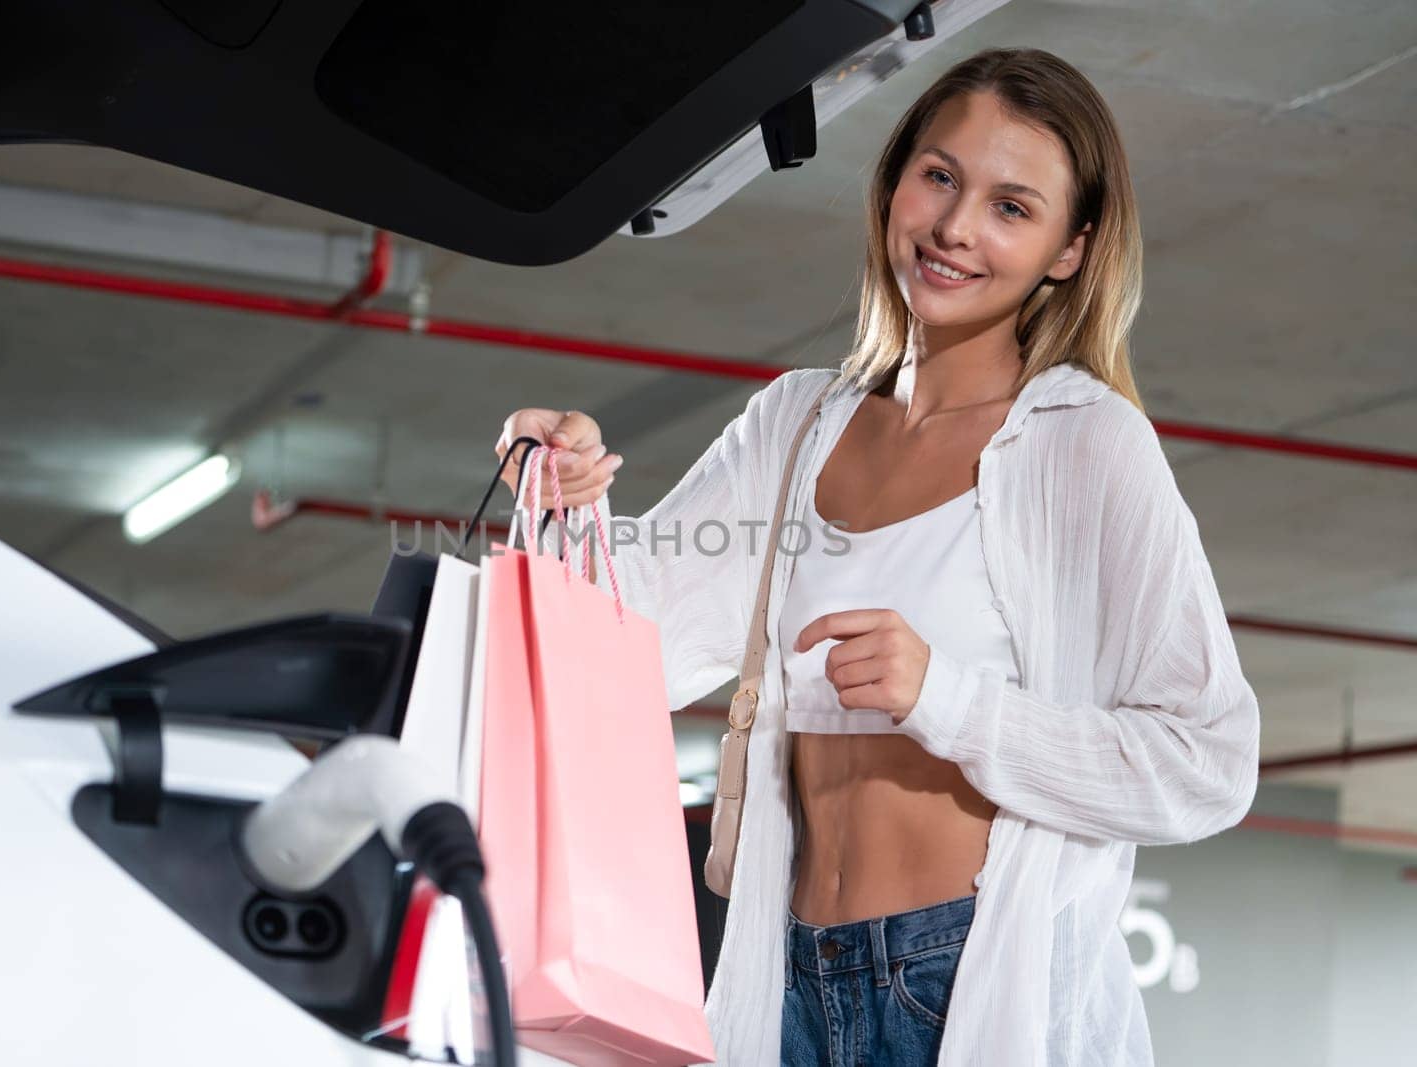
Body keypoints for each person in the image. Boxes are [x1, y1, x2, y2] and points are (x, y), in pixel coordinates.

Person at [494, 47, 1260, 1066]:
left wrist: (946, 698)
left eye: (1010, 207)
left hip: (956, 981)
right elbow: (624, 654)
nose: (953, 227)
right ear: (894, 178)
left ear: (1070, 250)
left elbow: (1205, 763)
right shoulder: (794, 421)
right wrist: (561, 495)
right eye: (938, 176)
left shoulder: (1083, 444)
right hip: (786, 976)